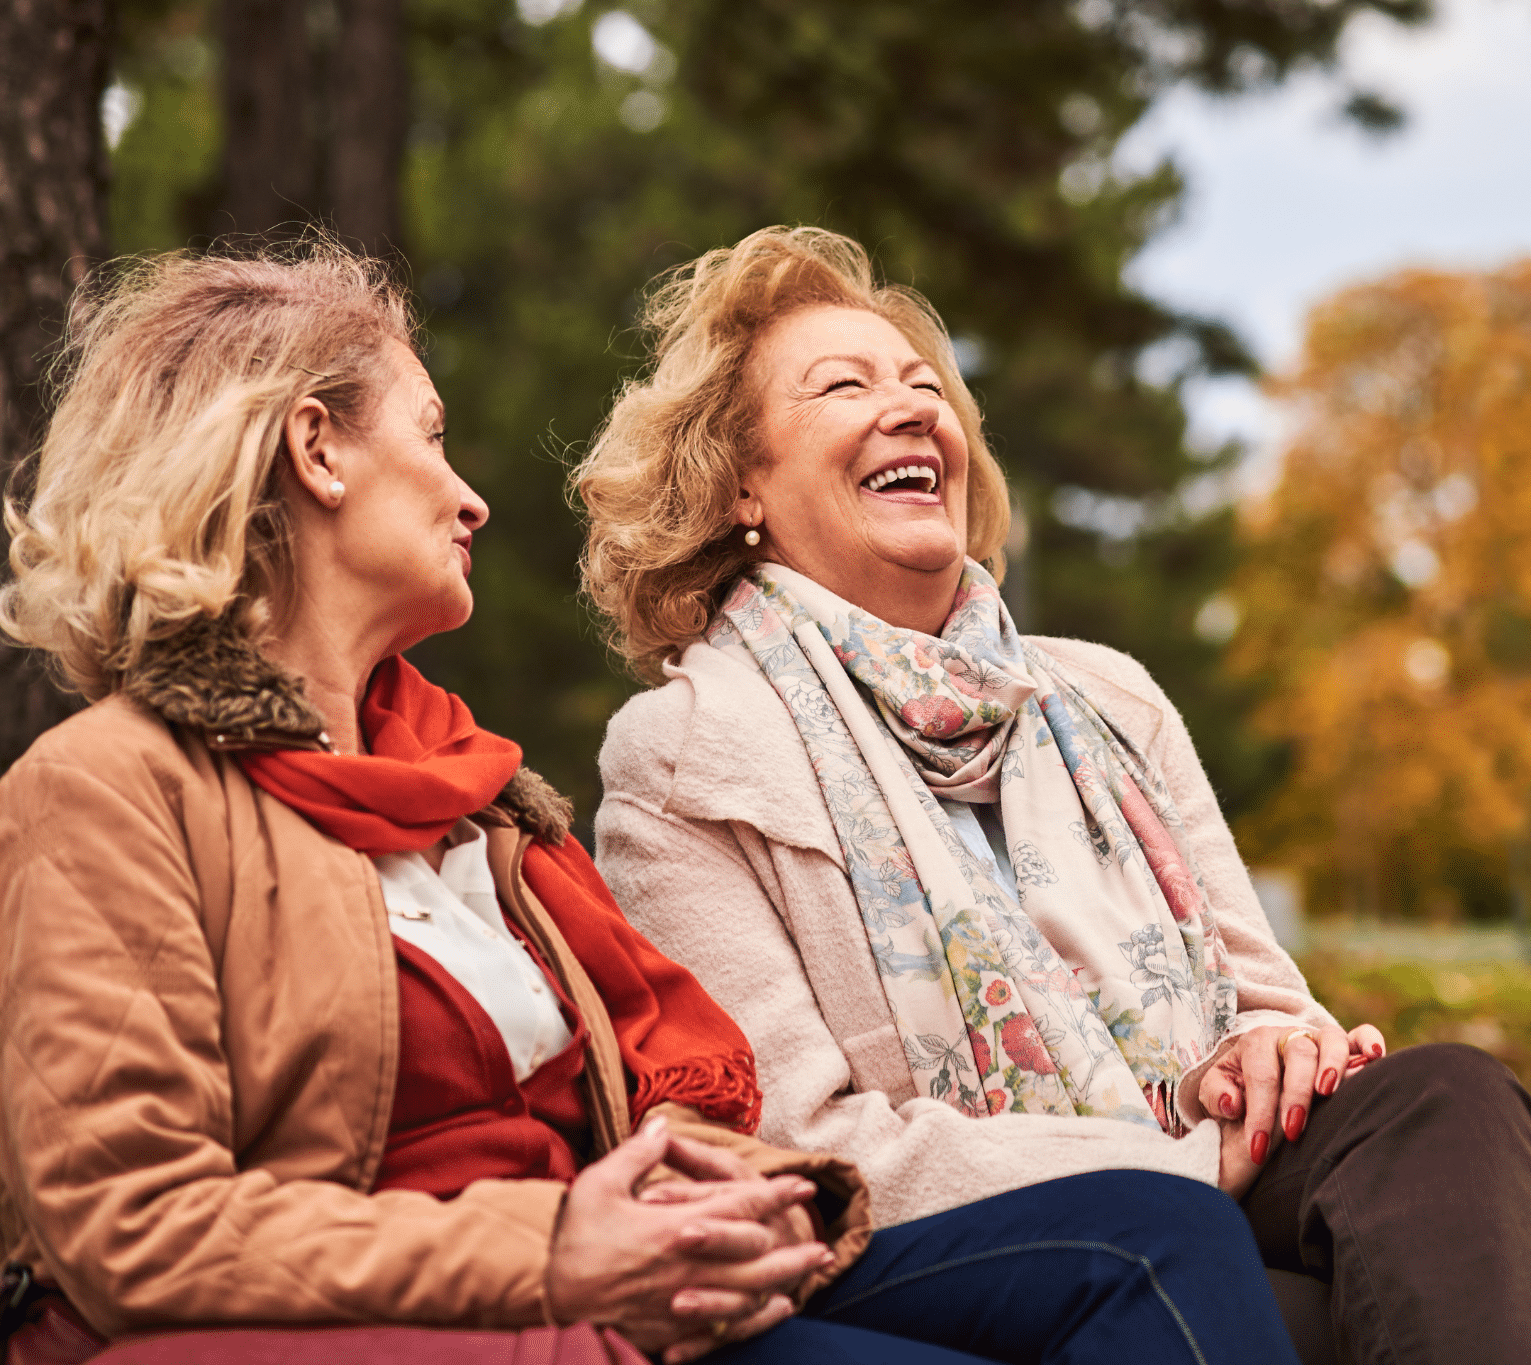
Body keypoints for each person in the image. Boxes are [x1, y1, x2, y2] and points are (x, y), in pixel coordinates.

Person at [0, 243, 1295, 1365]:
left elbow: (666, 1101)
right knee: (1146, 1241)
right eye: (433, 434)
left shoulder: (481, 810)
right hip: (468, 1314)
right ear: (315, 449)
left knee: (1169, 1228)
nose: (473, 495)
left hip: (628, 1301)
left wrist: (745, 1206)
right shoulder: (106, 794)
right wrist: (558, 1246)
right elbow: (131, 1220)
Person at [577, 225, 1531, 1365]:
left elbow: (1268, 998)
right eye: (844, 387)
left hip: (1212, 1151)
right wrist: (1174, 1162)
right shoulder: (685, 757)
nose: (916, 411)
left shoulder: (1108, 696)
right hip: (981, 1228)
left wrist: (1267, 1048)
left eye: (927, 387)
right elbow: (796, 1140)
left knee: (1444, 1098)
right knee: (1183, 1245)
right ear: (740, 487)